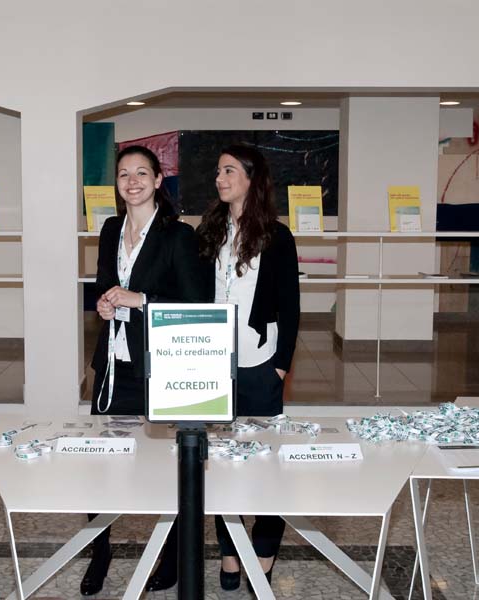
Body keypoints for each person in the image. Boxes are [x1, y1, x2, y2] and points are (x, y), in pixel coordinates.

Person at [146, 144, 300, 592]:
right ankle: (232, 553)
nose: (219, 178)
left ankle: (265, 552)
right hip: (213, 362)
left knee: (268, 465)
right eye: (217, 171)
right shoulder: (209, 229)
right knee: (221, 462)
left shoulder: (277, 236)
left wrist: (280, 367)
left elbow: (290, 307)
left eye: (229, 170)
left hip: (258, 360)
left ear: (252, 178)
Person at [83, 144, 204, 596]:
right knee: (102, 466)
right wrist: (102, 301)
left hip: (159, 366)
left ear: (157, 181)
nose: (131, 181)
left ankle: (171, 558)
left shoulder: (178, 235)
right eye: (123, 175)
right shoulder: (110, 228)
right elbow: (103, 283)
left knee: (164, 467)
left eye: (141, 173)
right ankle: (99, 551)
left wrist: (142, 300)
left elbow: (195, 304)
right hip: (112, 363)